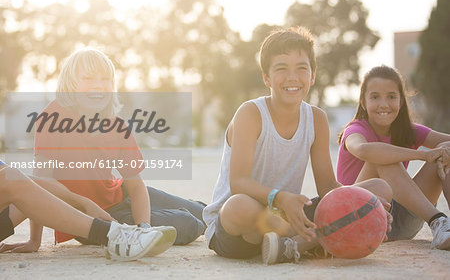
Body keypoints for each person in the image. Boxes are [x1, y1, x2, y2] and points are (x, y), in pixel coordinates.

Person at [202, 27, 393, 265]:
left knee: (379, 188)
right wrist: (280, 198)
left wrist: (366, 208)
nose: (292, 77)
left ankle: (292, 245)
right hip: (241, 229)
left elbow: (327, 186)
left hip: (290, 216)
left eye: (301, 68)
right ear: (267, 77)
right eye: (281, 68)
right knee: (236, 206)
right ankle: (312, 241)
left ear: (312, 76)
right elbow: (238, 182)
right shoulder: (251, 113)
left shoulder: (316, 118)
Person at [33, 47, 205, 247]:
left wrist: (144, 228)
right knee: (186, 224)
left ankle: (219, 219)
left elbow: (136, 185)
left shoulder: (117, 125)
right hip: (89, 218)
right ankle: (204, 223)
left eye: (105, 79)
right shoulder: (52, 118)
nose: (98, 85)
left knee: (203, 212)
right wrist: (34, 241)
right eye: (88, 78)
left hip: (120, 195)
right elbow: (40, 182)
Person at [336, 65, 450, 250]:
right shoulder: (355, 130)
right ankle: (437, 220)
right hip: (360, 216)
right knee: (380, 159)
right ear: (363, 102)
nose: (383, 104)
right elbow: (364, 150)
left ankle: (444, 229)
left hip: (405, 217)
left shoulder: (408, 131)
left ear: (401, 101)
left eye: (391, 96)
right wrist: (422, 155)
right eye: (375, 97)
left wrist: (440, 153)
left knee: (446, 150)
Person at [0, 160, 164, 261]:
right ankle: (112, 236)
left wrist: (86, 204)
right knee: (186, 223)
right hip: (117, 198)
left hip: (118, 192)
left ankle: (116, 233)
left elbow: (26, 180)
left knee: (12, 177)